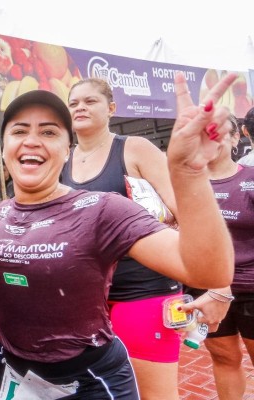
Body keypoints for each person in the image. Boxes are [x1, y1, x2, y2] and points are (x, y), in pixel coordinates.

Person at [0, 74, 236, 398]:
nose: (32, 140)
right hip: (15, 370)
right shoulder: (1, 213)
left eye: (49, 131)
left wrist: (190, 174)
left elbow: (206, 269)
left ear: (66, 150)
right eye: (19, 131)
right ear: (4, 147)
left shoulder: (104, 206)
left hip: (121, 327)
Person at [61, 78, 183, 399]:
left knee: (153, 395)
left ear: (111, 108)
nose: (80, 108)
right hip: (88, 303)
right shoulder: (62, 163)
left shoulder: (135, 149)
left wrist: (212, 286)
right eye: (74, 103)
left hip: (143, 290)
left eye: (90, 101)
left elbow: (183, 209)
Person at [181, 114, 254, 399]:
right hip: (205, 287)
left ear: (236, 137)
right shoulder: (185, 182)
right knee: (224, 358)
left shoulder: (250, 179)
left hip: (250, 288)